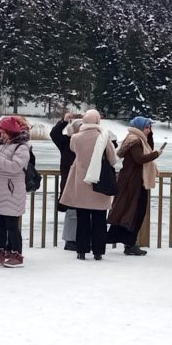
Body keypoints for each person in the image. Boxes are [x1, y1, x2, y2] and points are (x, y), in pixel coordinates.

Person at [60, 110, 118, 261]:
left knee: (82, 219)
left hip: (81, 183)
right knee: (99, 220)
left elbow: (73, 150)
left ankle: (81, 251)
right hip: (99, 184)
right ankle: (98, 251)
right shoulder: (104, 137)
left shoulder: (76, 138)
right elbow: (113, 160)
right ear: (98, 121)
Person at [107, 116, 162, 256]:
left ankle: (126, 242)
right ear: (139, 127)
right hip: (133, 182)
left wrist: (150, 136)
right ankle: (126, 243)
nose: (149, 130)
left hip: (135, 181)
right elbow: (140, 159)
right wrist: (156, 154)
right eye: (147, 127)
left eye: (150, 127)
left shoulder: (139, 140)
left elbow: (147, 149)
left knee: (132, 212)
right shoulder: (135, 141)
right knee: (133, 212)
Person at [0, 116, 31, 268]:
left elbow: (14, 167)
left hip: (12, 191)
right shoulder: (1, 145)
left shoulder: (21, 147)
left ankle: (17, 254)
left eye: (3, 132)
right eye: (0, 132)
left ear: (11, 132)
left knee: (12, 225)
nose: (1, 135)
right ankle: (0, 253)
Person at [50, 112, 83, 251]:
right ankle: (70, 240)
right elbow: (54, 134)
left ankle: (83, 238)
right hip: (70, 182)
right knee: (72, 212)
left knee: (85, 213)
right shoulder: (65, 142)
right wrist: (64, 121)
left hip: (85, 182)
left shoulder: (90, 141)